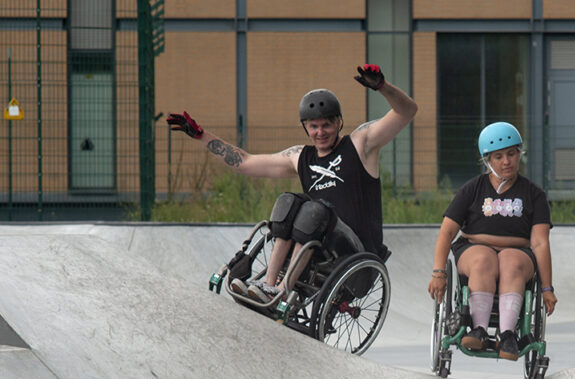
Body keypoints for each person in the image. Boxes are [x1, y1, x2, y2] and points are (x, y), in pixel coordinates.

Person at [167, 64, 418, 303]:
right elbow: (245, 162)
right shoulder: (299, 157)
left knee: (314, 209)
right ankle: (268, 285)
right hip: (319, 252)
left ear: (339, 122)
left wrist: (383, 86)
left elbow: (407, 112)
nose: (320, 132)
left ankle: (283, 290)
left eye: (326, 125)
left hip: (357, 255)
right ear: (305, 127)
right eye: (313, 127)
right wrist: (200, 135)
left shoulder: (361, 144)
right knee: (289, 201)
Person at [427, 122, 556, 361]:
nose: (506, 161)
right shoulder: (473, 189)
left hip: (517, 251)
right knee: (484, 258)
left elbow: (540, 243)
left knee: (510, 259)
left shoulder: (534, 195)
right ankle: (479, 330)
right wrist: (438, 272)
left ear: (520, 154)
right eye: (498, 156)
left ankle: (507, 335)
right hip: (474, 248)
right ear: (487, 160)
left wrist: (547, 288)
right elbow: (446, 233)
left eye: (511, 154)